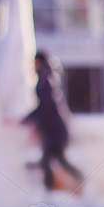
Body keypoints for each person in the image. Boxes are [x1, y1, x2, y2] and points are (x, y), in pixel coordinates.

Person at [22, 51, 84, 193]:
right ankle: (77, 184)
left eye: (35, 62)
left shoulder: (46, 80)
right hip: (53, 130)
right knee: (54, 161)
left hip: (54, 130)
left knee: (50, 162)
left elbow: (46, 106)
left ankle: (51, 193)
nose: (33, 65)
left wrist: (27, 119)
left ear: (39, 62)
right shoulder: (48, 78)